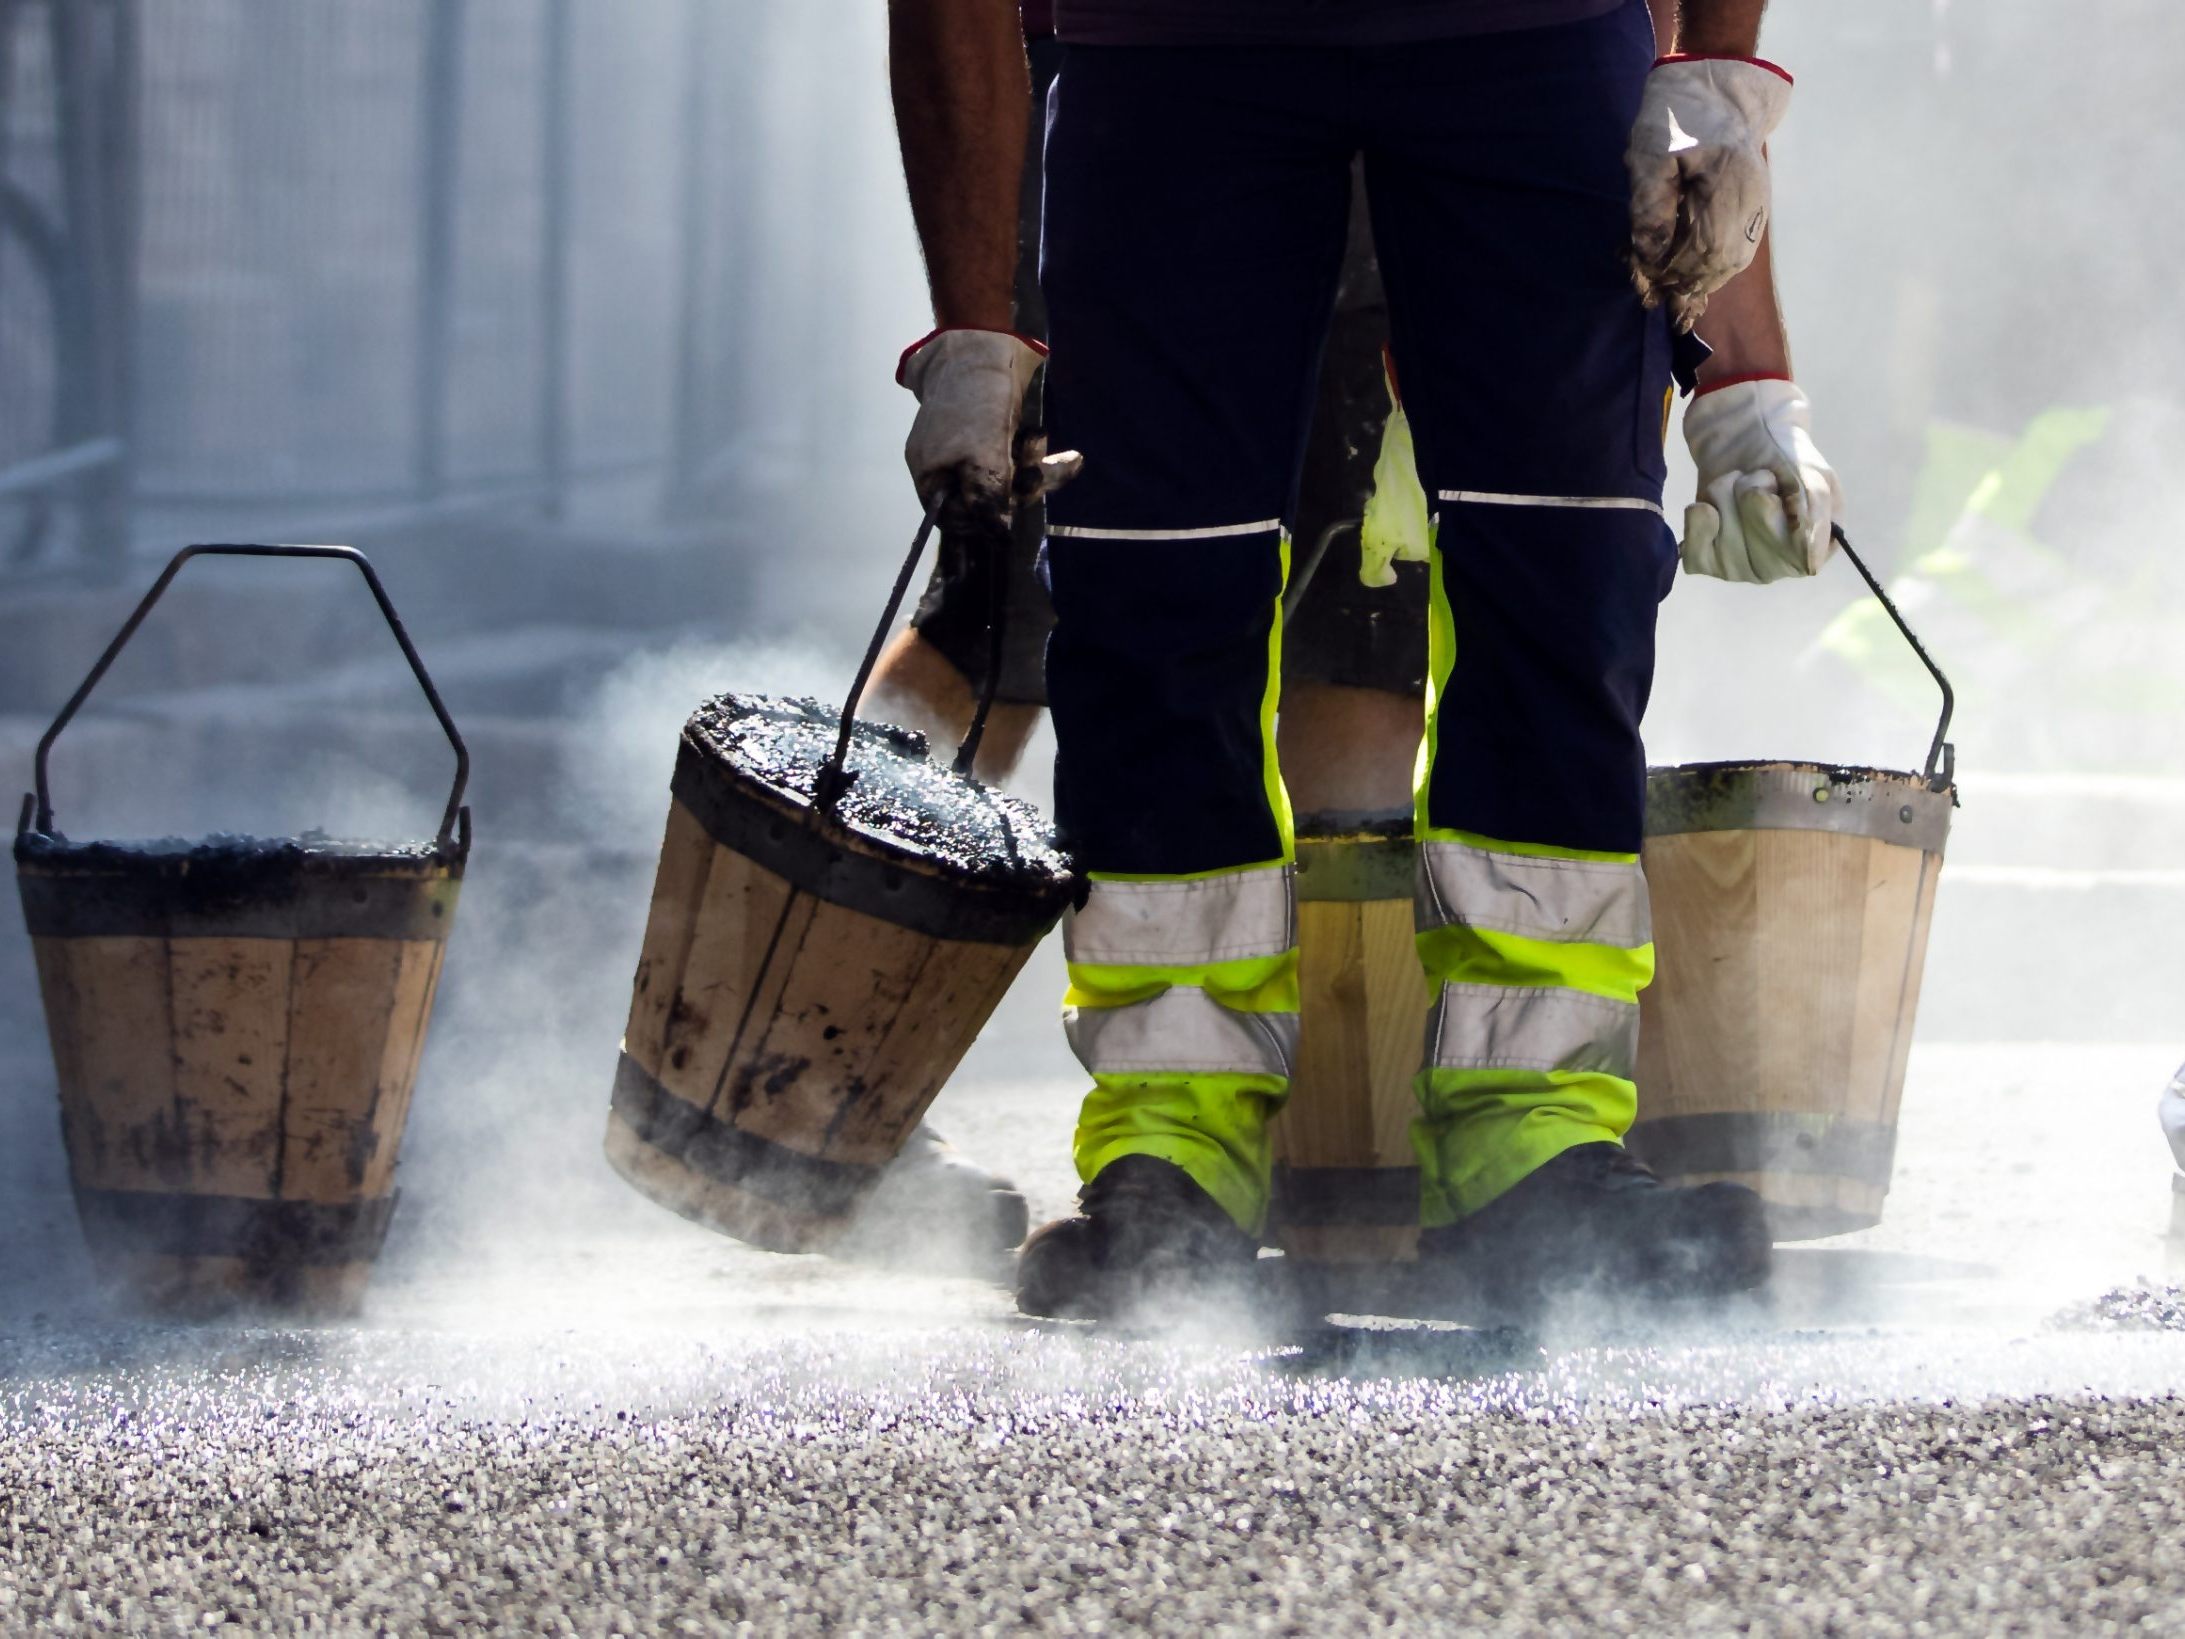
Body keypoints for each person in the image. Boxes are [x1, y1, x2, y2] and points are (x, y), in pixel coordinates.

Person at [889, 0, 1841, 1319]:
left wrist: (1739, 342)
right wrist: (970, 328)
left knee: (1560, 572)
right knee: (1154, 585)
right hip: (1171, 60)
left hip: (1525, 43)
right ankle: (1172, 1151)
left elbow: (1694, 72)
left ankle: (1534, 1137)